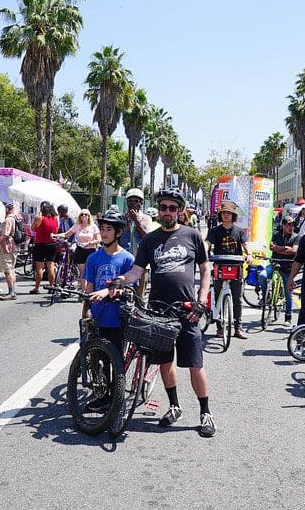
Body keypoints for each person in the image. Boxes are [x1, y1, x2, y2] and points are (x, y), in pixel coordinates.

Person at [112, 187, 216, 438]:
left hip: (187, 311)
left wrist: (202, 301)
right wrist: (119, 280)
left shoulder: (192, 236)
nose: (167, 212)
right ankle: (174, 406)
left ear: (180, 211)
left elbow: (205, 270)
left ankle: (205, 412)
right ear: (158, 211)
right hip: (158, 312)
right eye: (163, 207)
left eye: (172, 208)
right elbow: (137, 271)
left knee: (194, 364)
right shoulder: (150, 240)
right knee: (165, 363)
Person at [84, 210, 137, 352]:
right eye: (102, 229)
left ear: (119, 233)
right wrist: (86, 311)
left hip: (117, 318)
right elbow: (89, 286)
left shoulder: (128, 259)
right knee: (98, 362)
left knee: (117, 361)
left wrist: (108, 292)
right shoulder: (93, 258)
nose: (104, 233)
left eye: (109, 229)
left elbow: (130, 289)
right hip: (97, 317)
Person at [205, 200, 251, 339]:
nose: (226, 215)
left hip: (236, 268)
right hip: (219, 266)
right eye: (223, 213)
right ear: (220, 215)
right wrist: (204, 251)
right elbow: (207, 243)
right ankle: (219, 328)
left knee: (237, 299)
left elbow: (246, 243)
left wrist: (248, 254)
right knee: (218, 297)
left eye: (229, 213)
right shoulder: (215, 231)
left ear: (233, 215)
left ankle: (238, 328)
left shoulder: (239, 231)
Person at [262, 215, 299, 323]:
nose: (290, 227)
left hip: (287, 267)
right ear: (283, 225)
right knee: (262, 276)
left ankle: (288, 316)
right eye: (288, 225)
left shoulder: (296, 237)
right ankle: (266, 296)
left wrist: (278, 249)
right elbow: (271, 247)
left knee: (288, 292)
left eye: (292, 225)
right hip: (274, 264)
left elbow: (293, 251)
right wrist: (284, 248)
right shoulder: (276, 235)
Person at [58, 209, 101, 300]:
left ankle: (90, 292)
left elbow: (98, 239)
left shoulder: (93, 227)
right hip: (80, 251)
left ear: (89, 216)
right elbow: (66, 234)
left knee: (90, 273)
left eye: (86, 214)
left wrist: (89, 243)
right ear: (80, 216)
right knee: (83, 273)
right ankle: (83, 293)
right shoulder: (77, 226)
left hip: (91, 251)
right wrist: (56, 235)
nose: (84, 216)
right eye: (82, 214)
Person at [119, 188, 152, 300]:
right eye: (130, 201)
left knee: (139, 298)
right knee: (124, 297)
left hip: (141, 264)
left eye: (136, 201)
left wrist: (137, 221)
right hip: (125, 263)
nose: (133, 203)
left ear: (141, 203)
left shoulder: (146, 218)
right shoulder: (122, 218)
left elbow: (147, 237)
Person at [30, 201, 59, 294]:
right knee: (50, 266)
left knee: (39, 266)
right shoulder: (55, 218)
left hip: (40, 244)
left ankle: (37, 287)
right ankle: (51, 286)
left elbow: (33, 228)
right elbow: (56, 229)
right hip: (52, 244)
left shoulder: (39, 218)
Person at [0, 202, 22, 301]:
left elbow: (5, 235)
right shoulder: (15, 218)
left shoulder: (8, 220)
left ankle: (11, 292)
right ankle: (12, 290)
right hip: (14, 247)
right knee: (12, 269)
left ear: (7, 209)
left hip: (7, 248)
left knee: (7, 270)